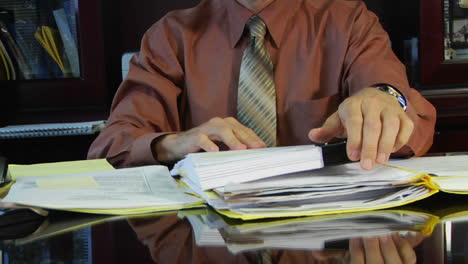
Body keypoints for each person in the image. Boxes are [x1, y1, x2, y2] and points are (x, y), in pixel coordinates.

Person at [88, 0, 436, 170]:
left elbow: (403, 107)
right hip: (207, 235)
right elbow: (111, 147)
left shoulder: (349, 22)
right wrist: (173, 144)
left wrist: (386, 103)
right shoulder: (171, 36)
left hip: (329, 230)